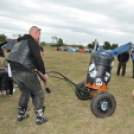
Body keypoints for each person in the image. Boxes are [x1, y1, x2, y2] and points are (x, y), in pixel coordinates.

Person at [7, 26, 48, 125]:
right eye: (39, 36)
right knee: (38, 93)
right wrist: (43, 72)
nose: (39, 38)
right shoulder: (31, 42)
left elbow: (26, 58)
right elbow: (38, 58)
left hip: (13, 72)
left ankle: (21, 114)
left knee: (25, 91)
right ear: (36, 33)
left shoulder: (19, 43)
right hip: (25, 72)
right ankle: (39, 117)